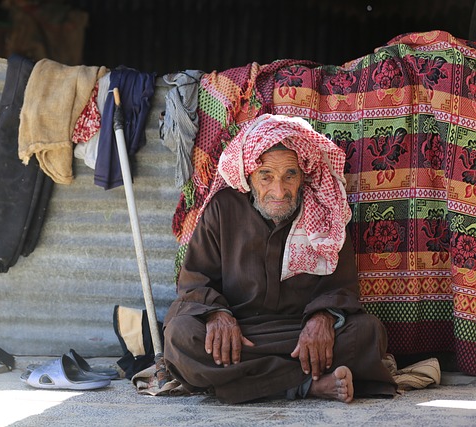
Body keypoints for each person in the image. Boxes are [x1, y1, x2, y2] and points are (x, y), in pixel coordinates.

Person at [163, 114, 397, 404]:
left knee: (367, 333)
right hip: (240, 334)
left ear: (304, 176)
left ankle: (251, 384)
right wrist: (217, 316)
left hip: (300, 335)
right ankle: (307, 385)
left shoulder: (327, 213)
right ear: (249, 176)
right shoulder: (222, 211)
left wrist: (323, 319)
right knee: (181, 338)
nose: (279, 191)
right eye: (266, 176)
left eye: (290, 175)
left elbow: (342, 288)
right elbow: (194, 283)